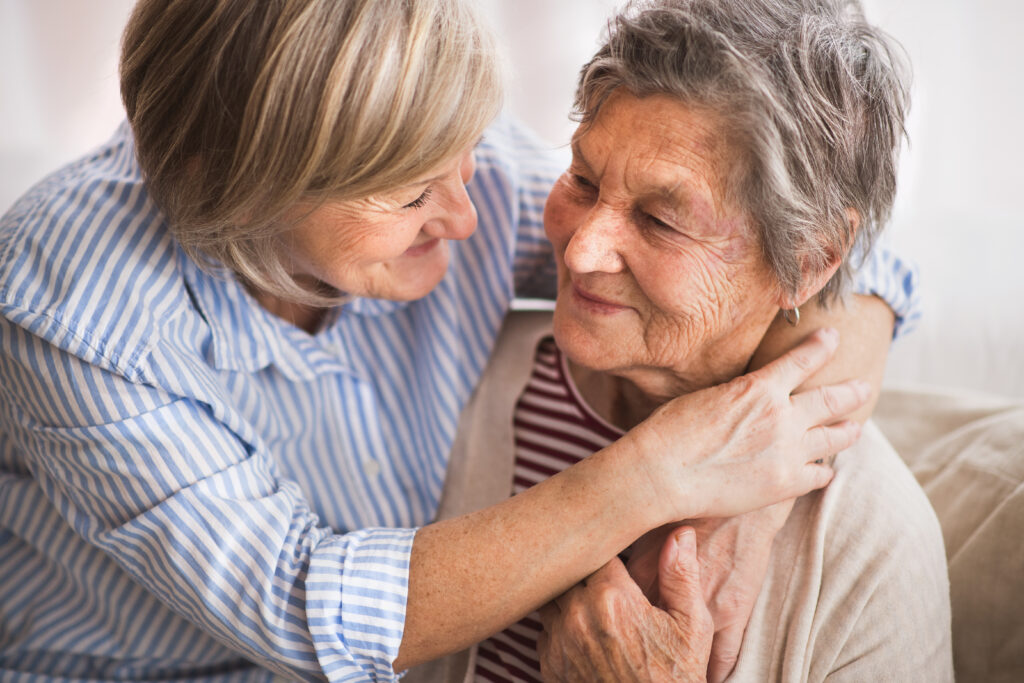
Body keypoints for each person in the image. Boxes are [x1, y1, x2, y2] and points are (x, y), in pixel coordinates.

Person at [0, 1, 914, 681]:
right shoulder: (73, 300)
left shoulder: (431, 156)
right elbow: (297, 602)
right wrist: (659, 473)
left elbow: (839, 248)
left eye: (462, 151)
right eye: (406, 195)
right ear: (237, 196)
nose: (472, 214)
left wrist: (750, 496)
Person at [409, 1, 952, 681]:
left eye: (661, 221)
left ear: (811, 259)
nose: (580, 253)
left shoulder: (873, 540)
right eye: (582, 178)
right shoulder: (467, 380)